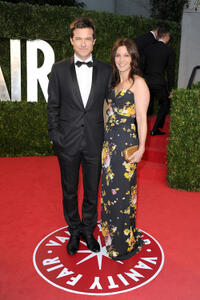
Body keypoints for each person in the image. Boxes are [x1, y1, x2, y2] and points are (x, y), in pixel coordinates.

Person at [47, 17, 112, 255]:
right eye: (79, 39)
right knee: (70, 189)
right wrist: (55, 136)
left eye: (88, 39)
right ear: (71, 41)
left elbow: (111, 106)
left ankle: (88, 229)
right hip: (67, 141)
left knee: (92, 189)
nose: (83, 44)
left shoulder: (106, 70)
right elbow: (53, 105)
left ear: (94, 42)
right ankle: (74, 230)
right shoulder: (59, 69)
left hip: (95, 140)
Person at [101, 38, 150, 260]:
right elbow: (106, 113)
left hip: (126, 147)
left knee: (122, 196)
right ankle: (112, 237)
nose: (121, 59)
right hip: (108, 147)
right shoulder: (113, 84)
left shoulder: (138, 83)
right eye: (118, 55)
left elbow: (141, 118)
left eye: (125, 55)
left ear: (133, 58)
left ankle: (122, 244)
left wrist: (141, 148)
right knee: (109, 195)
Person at [143, 24, 175, 135]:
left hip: (146, 82)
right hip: (159, 83)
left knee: (147, 107)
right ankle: (155, 129)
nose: (169, 38)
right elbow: (170, 72)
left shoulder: (148, 49)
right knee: (165, 104)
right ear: (166, 36)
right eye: (169, 36)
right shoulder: (169, 50)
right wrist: (171, 89)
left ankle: (141, 129)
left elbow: (143, 66)